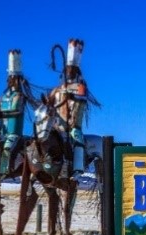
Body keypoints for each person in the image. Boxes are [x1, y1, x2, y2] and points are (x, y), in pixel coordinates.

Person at [47, 39, 91, 183]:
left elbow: (81, 94)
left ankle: (77, 169)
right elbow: (49, 102)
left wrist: (68, 91)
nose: (69, 73)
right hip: (57, 125)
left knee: (77, 139)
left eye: (71, 70)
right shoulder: (57, 89)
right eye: (67, 70)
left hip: (72, 125)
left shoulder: (80, 86)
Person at [0, 49, 32, 178]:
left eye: (14, 78)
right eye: (10, 78)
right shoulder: (3, 97)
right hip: (2, 133)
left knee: (7, 148)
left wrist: (0, 115)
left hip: (14, 134)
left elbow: (17, 111)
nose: (11, 80)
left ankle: (3, 172)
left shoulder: (19, 96)